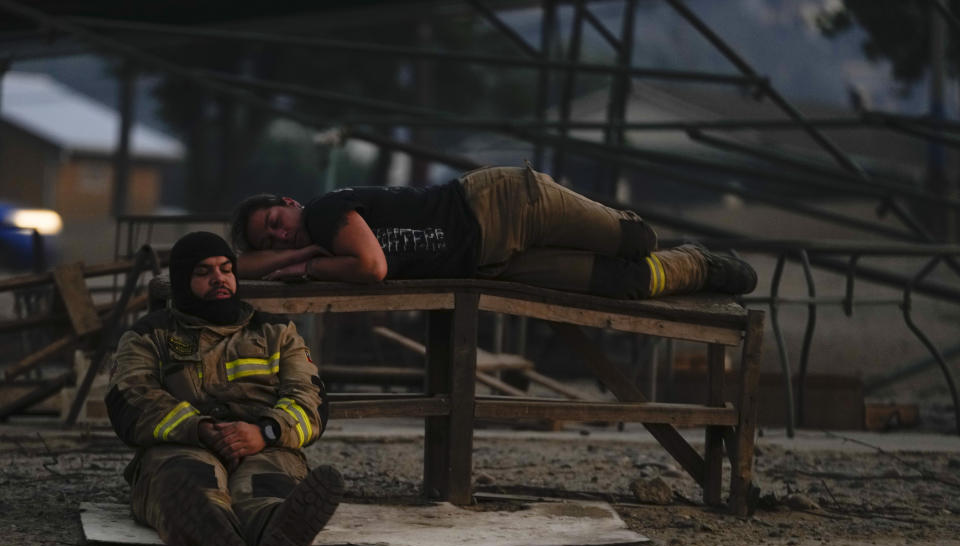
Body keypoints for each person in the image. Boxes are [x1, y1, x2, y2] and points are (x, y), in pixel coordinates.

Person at [105, 231, 343, 546]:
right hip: (182, 444)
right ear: (182, 281)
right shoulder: (149, 335)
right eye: (203, 272)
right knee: (189, 481)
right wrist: (197, 428)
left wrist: (266, 432)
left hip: (263, 446)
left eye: (226, 269)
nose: (219, 278)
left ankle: (274, 530)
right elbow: (130, 397)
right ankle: (209, 529)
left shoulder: (277, 332)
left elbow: (311, 397)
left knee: (267, 487)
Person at [229, 165, 757, 298]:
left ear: (291, 203)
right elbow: (236, 265)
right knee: (625, 284)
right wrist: (286, 259)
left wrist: (308, 265)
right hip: (492, 262)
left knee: (636, 240)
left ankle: (706, 258)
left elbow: (372, 267)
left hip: (500, 204)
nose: (279, 237)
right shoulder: (314, 240)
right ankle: (702, 265)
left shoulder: (324, 212)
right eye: (269, 240)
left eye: (276, 222)